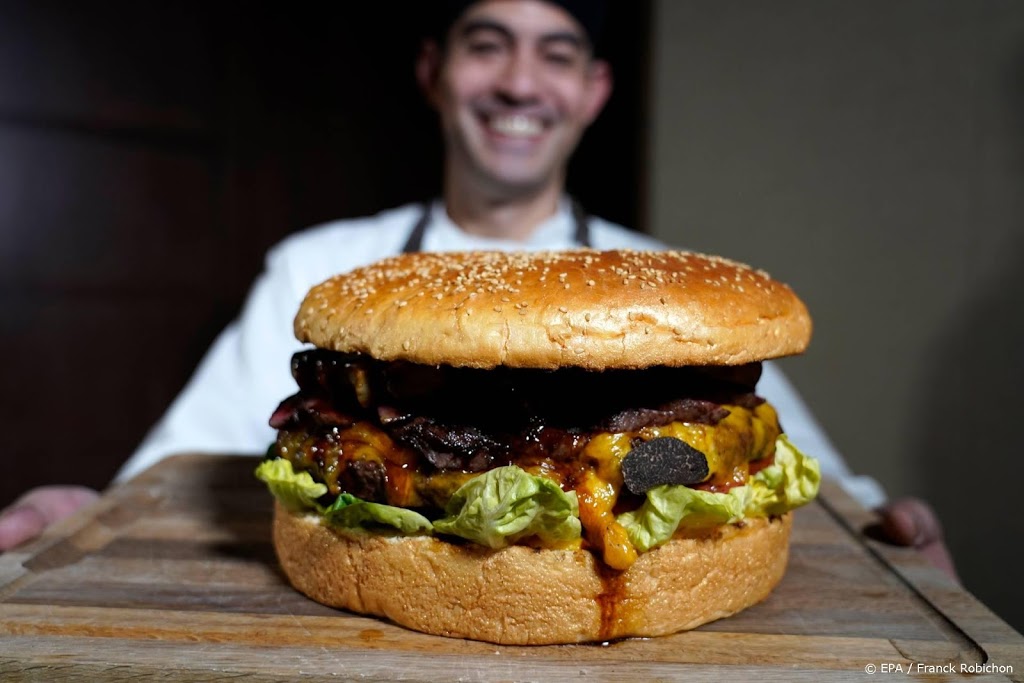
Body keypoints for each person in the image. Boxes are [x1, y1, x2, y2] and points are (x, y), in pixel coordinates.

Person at [0, 0, 955, 578]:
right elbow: (189, 460)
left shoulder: (668, 288)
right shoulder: (318, 265)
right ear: (434, 71)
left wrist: (889, 527)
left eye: (556, 52)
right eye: (488, 43)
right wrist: (90, 513)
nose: (520, 82)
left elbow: (791, 465)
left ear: (594, 90)